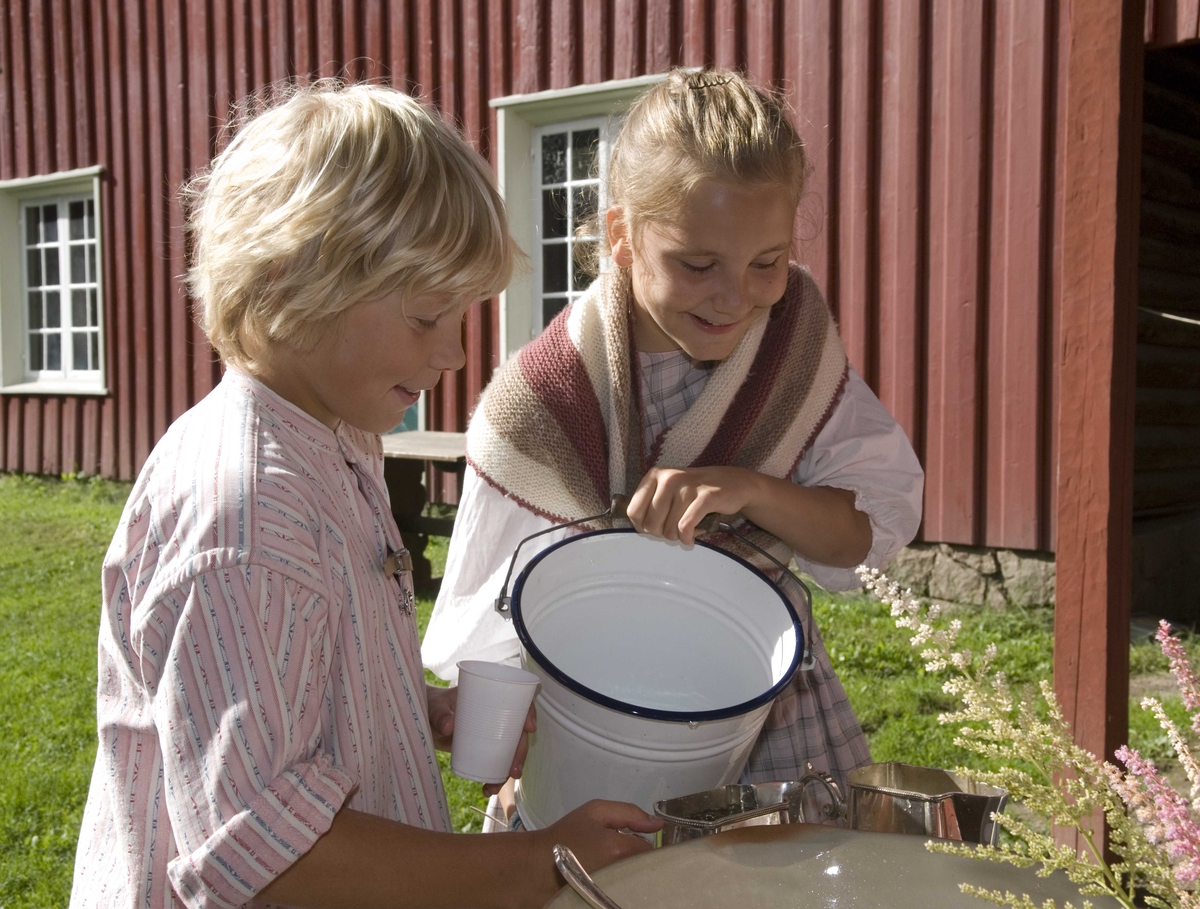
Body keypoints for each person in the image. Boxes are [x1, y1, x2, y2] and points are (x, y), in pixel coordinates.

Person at [69, 82, 659, 909]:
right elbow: (272, 861)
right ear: (289, 284)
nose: (455, 353)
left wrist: (414, 709)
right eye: (427, 318)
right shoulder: (244, 520)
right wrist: (537, 859)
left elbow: (288, 676)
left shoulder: (335, 435)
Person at [422, 68, 925, 824]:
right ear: (622, 235)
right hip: (593, 744)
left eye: (767, 262)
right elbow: (485, 634)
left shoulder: (792, 349)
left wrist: (752, 488)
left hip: (771, 727)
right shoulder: (544, 405)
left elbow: (863, 536)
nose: (735, 297)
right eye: (698, 265)